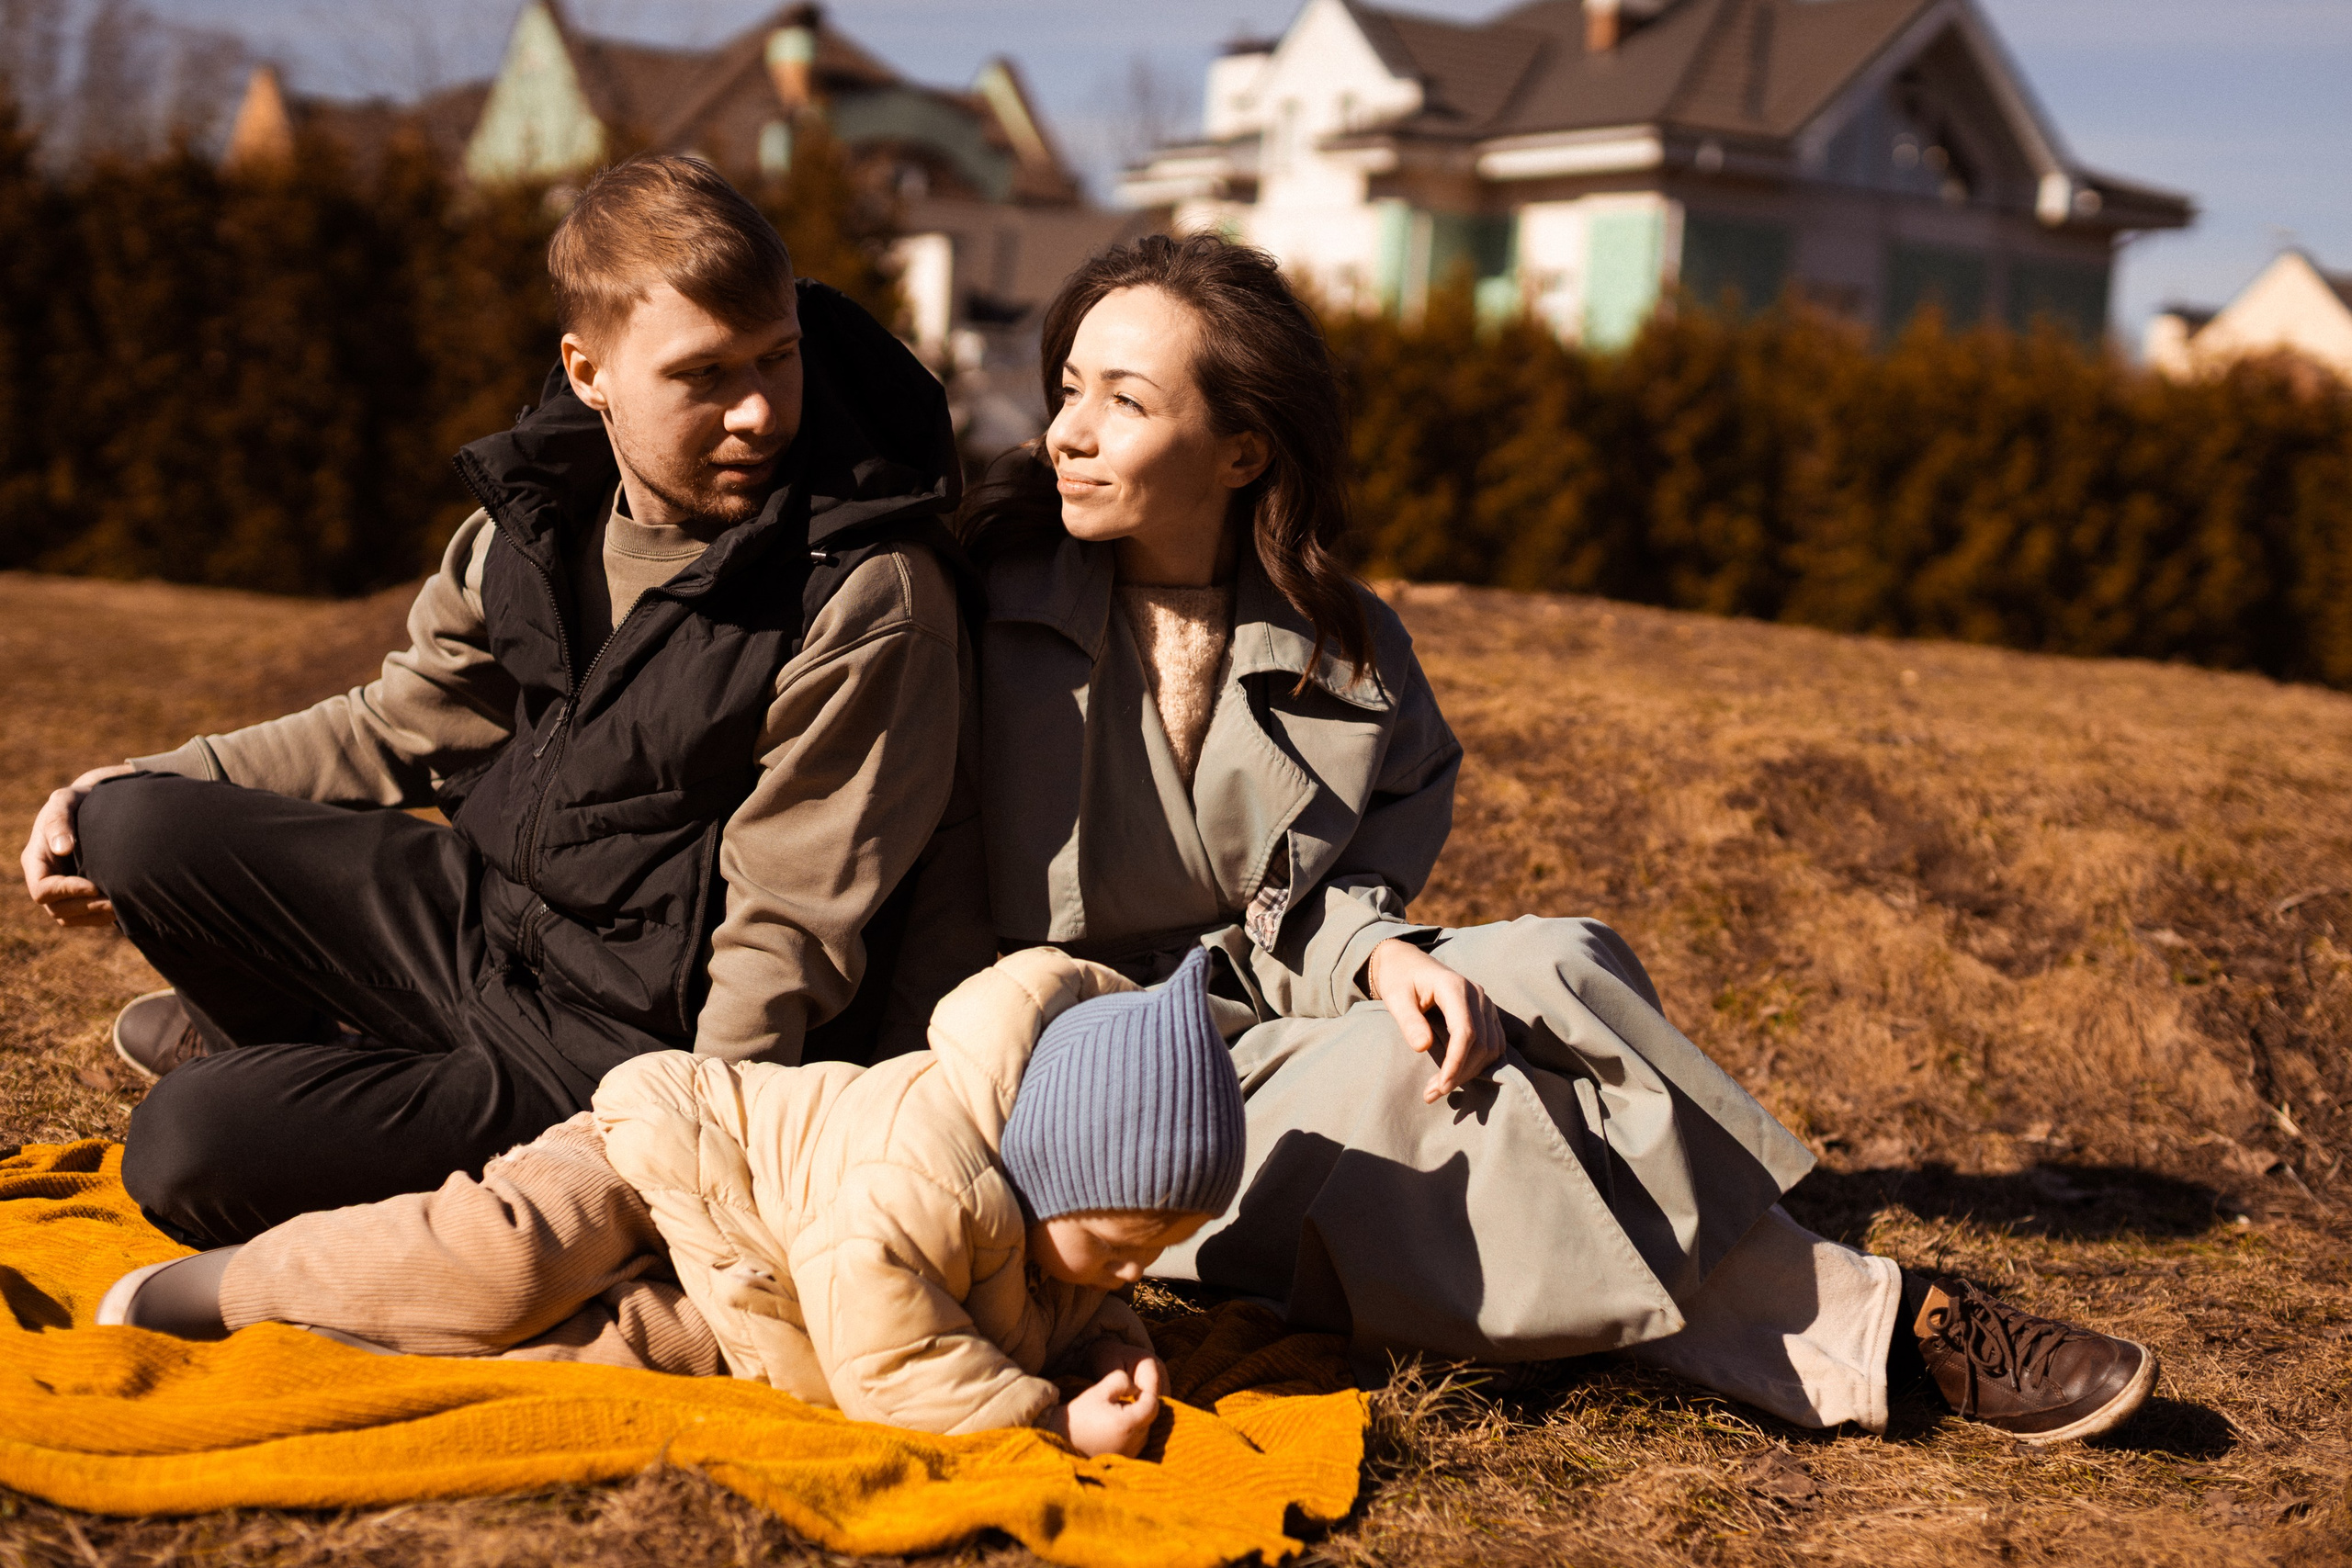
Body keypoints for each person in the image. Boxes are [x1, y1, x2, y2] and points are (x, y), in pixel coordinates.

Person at [956, 232, 2158, 1446]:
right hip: (1088, 1059)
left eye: (1126, 399)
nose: (1069, 428)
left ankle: (1772, 1280)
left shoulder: (1347, 653)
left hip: (1268, 1008)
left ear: (1243, 448)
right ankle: (1889, 1323)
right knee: (1440, 1093)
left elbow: (1297, 902)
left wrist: (1380, 954)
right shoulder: (983, 605)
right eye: (1069, 387)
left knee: (1551, 964)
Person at [17, 154, 992, 1248]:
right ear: (590, 373)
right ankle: (337, 1055)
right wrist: (143, 777)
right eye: (704, 376)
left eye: (778, 358)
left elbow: (792, 928)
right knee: (133, 821)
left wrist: (696, 1163)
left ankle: (330, 1082)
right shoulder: (532, 521)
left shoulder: (863, 589)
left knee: (184, 1146)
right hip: (477, 931)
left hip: (621, 1050)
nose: (759, 411)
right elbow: (396, 725)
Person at [96, 947, 1239, 1458]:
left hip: (760, 1294)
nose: (1137, 1274)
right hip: (666, 1163)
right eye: (1123, 1245)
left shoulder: (1072, 1234)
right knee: (501, 1261)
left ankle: (344, 1358)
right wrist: (1045, 1426)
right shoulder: (924, 1177)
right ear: (1051, 1168)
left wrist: (1104, 1360)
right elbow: (892, 1364)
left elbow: (1085, 1313)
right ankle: (208, 1289)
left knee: (605, 1369)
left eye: (1163, 1250)